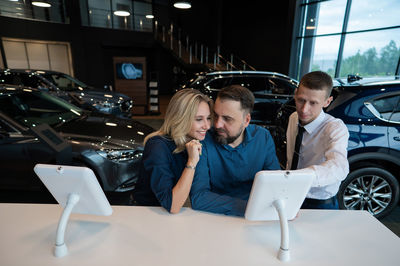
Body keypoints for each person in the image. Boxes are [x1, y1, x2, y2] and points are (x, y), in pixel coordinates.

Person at [189, 85, 281, 216]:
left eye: (227, 119)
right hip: (213, 217)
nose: (217, 125)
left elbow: (276, 186)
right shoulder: (204, 140)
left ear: (246, 120)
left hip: (255, 218)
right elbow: (198, 198)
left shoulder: (262, 138)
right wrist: (250, 206)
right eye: (215, 115)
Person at [133, 88, 212, 214]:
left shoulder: (194, 140)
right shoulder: (157, 147)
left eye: (208, 118)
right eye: (199, 119)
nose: (207, 126)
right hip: (148, 215)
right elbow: (172, 205)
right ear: (181, 118)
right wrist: (191, 162)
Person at [286, 70, 349, 209]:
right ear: (295, 94)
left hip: (319, 202)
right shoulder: (293, 117)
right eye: (301, 100)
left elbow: (339, 167)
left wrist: (296, 177)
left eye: (313, 103)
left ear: (327, 102)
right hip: (290, 193)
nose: (304, 109)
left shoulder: (335, 128)